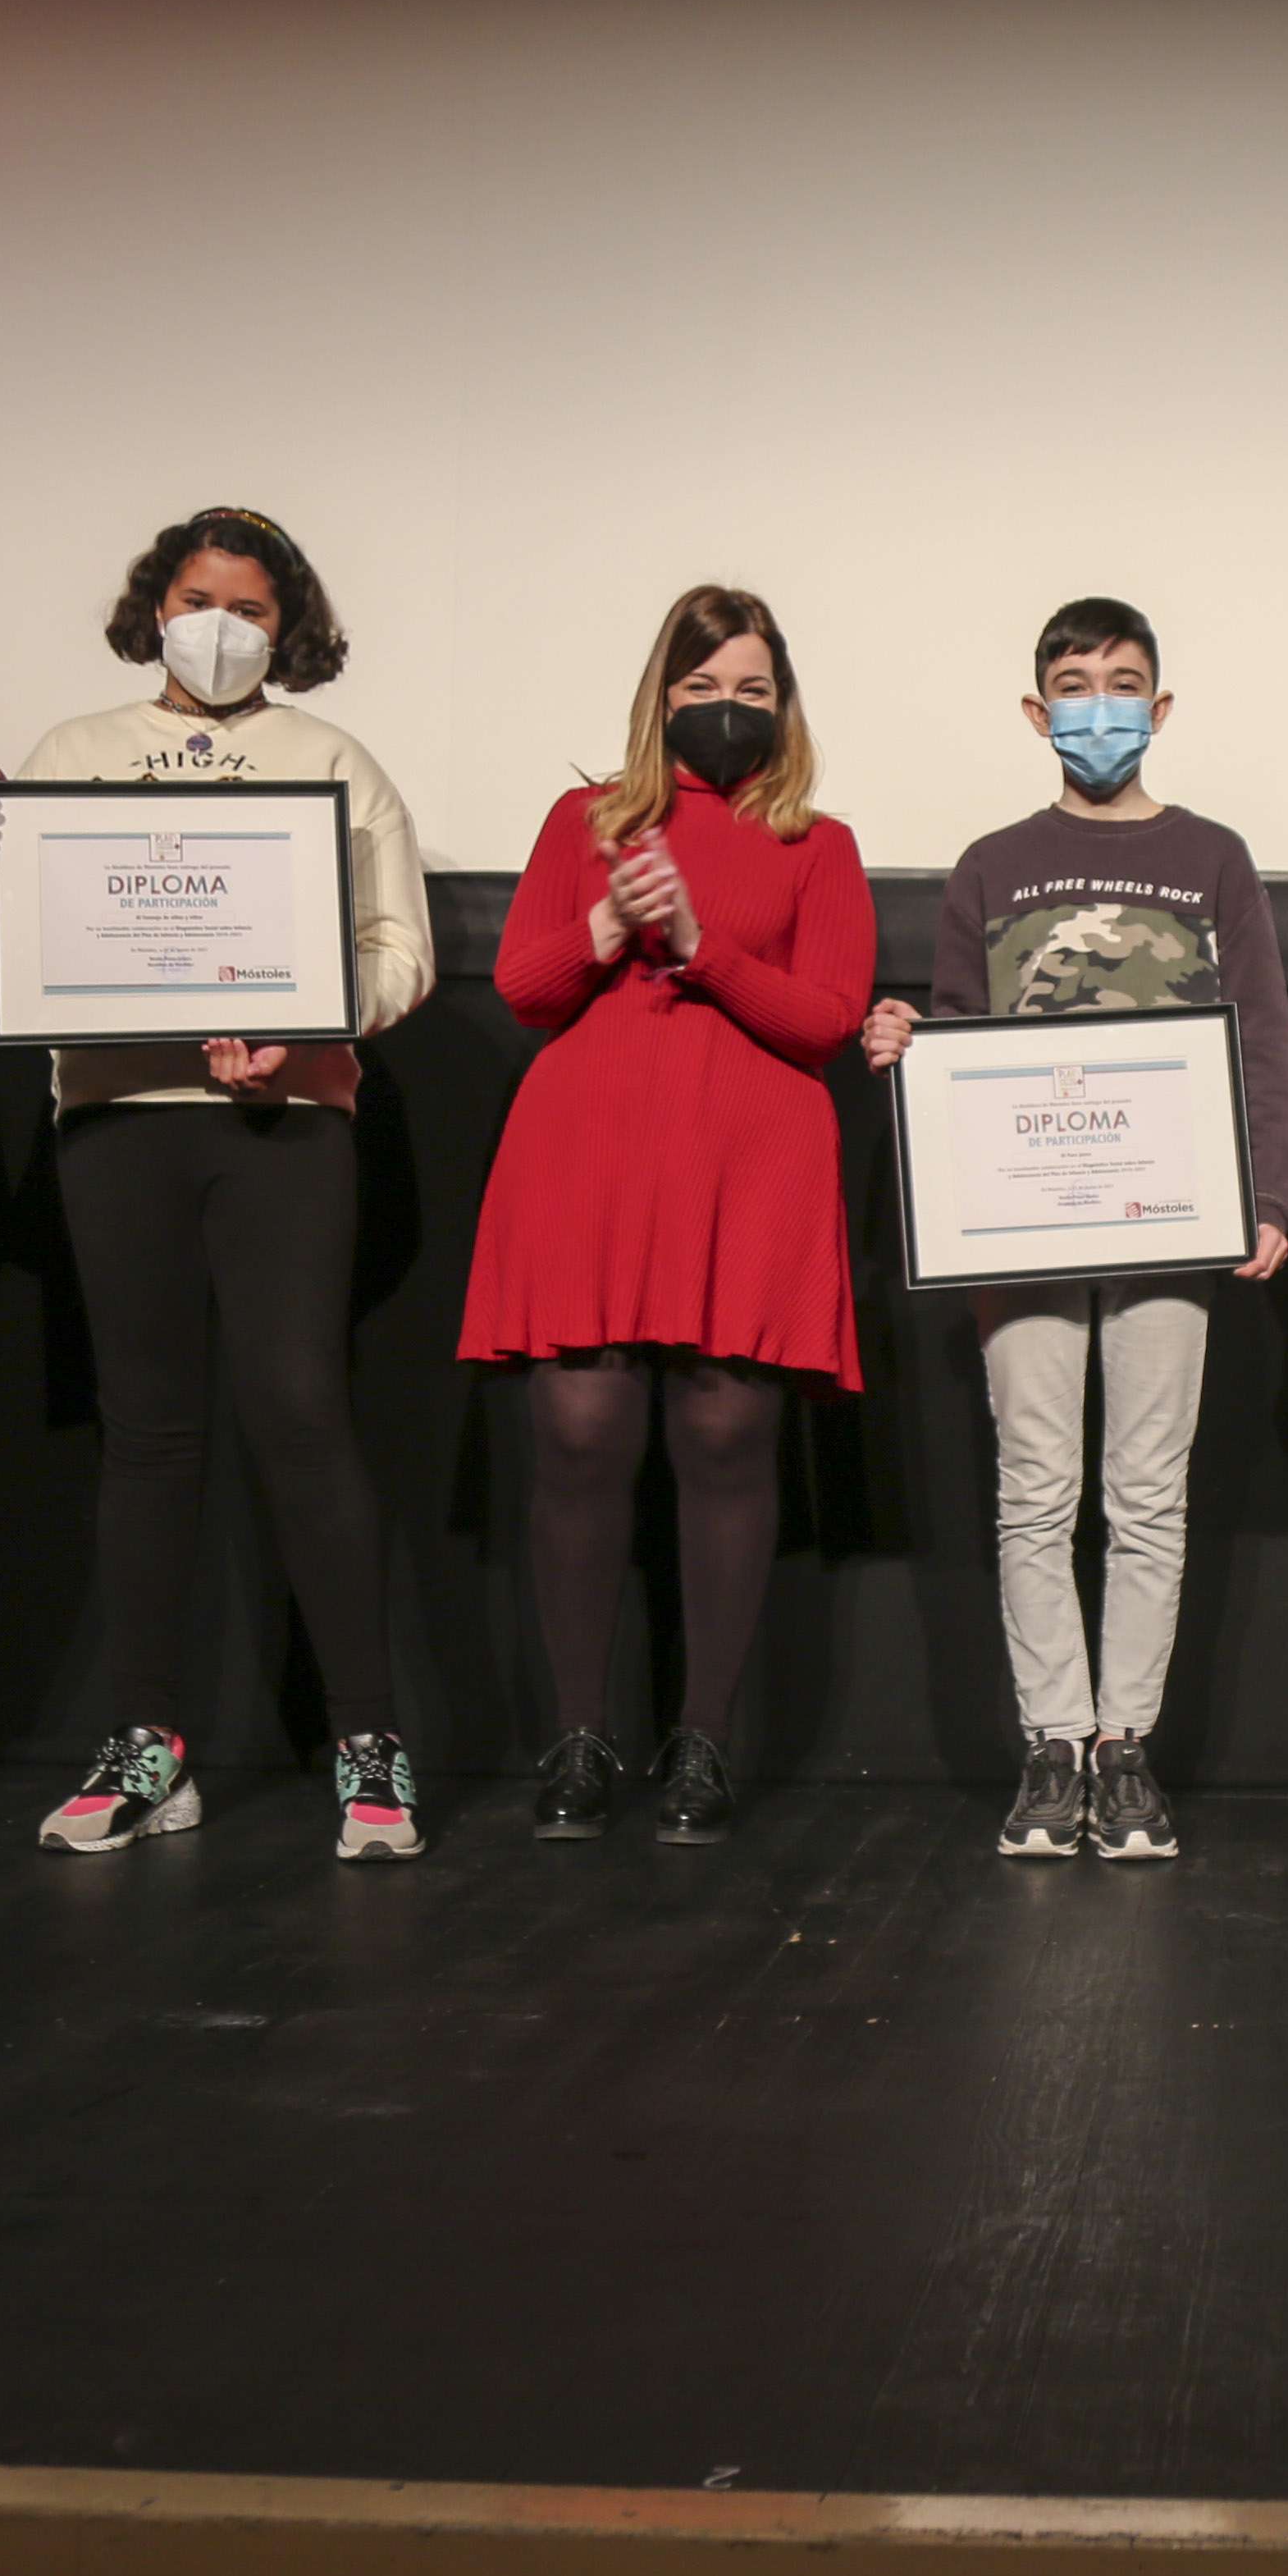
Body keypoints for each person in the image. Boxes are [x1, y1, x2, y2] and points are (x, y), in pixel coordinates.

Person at [0, 509, 435, 1863]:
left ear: (292, 629)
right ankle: (151, 1743)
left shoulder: (333, 760)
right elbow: (6, 957)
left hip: (284, 1121)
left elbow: (401, 950)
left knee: (298, 1411)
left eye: (253, 607)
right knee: (148, 1430)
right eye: (196, 596)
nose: (221, 623)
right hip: (115, 1121)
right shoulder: (70, 757)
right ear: (153, 606)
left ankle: (368, 1743)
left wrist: (313, 1028)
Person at [858, 597, 1288, 1865]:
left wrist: (1273, 1193)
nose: (1097, 705)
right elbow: (960, 1043)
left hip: (1174, 1223)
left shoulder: (1214, 858)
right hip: (1022, 1234)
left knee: (1148, 1494)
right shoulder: (991, 866)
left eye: (1122, 684)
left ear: (1159, 711)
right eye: (1073, 682)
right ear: (1036, 709)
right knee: (1036, 1489)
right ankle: (1052, 1746)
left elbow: (1261, 1034)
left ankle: (1128, 1752)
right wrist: (909, 1051)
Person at [462, 586, 873, 1846]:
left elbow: (828, 1020)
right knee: (580, 1431)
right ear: (662, 699)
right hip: (588, 1155)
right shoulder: (585, 822)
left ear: (784, 707)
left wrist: (697, 944)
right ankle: (580, 1735)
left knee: (726, 1438)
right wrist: (608, 921)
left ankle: (702, 1739)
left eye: (752, 693)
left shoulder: (820, 842)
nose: (727, 714)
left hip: (750, 1164)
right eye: (703, 692)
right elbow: (525, 987)